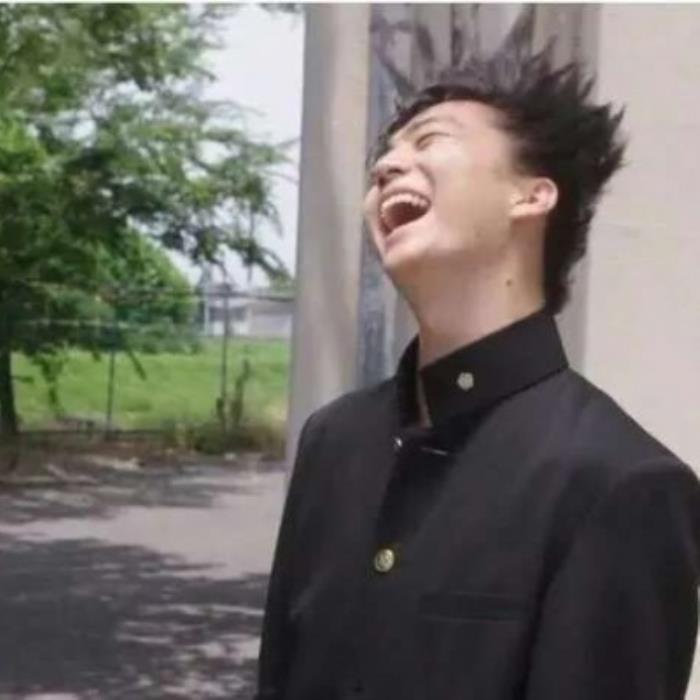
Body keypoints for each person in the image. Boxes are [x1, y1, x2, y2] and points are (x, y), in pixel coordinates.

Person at [255, 43, 700, 700]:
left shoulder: (621, 483)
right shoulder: (334, 440)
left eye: (429, 140)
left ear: (532, 194)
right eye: (385, 155)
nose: (386, 166)